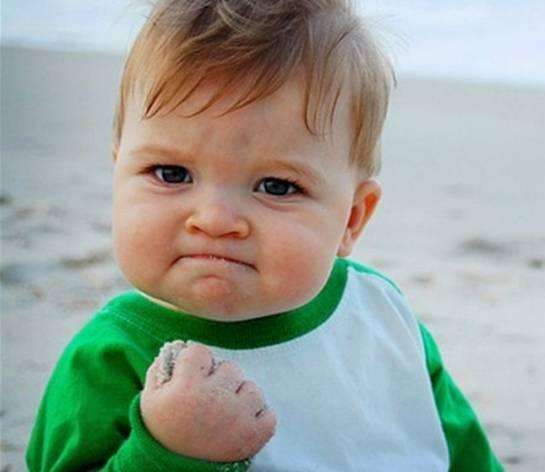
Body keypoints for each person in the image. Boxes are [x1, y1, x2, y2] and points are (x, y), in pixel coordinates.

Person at [25, 0, 504, 470]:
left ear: (352, 219)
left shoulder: (381, 314)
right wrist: (167, 451)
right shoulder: (110, 358)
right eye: (171, 173)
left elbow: (462, 451)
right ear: (118, 174)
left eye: (277, 186)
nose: (214, 220)